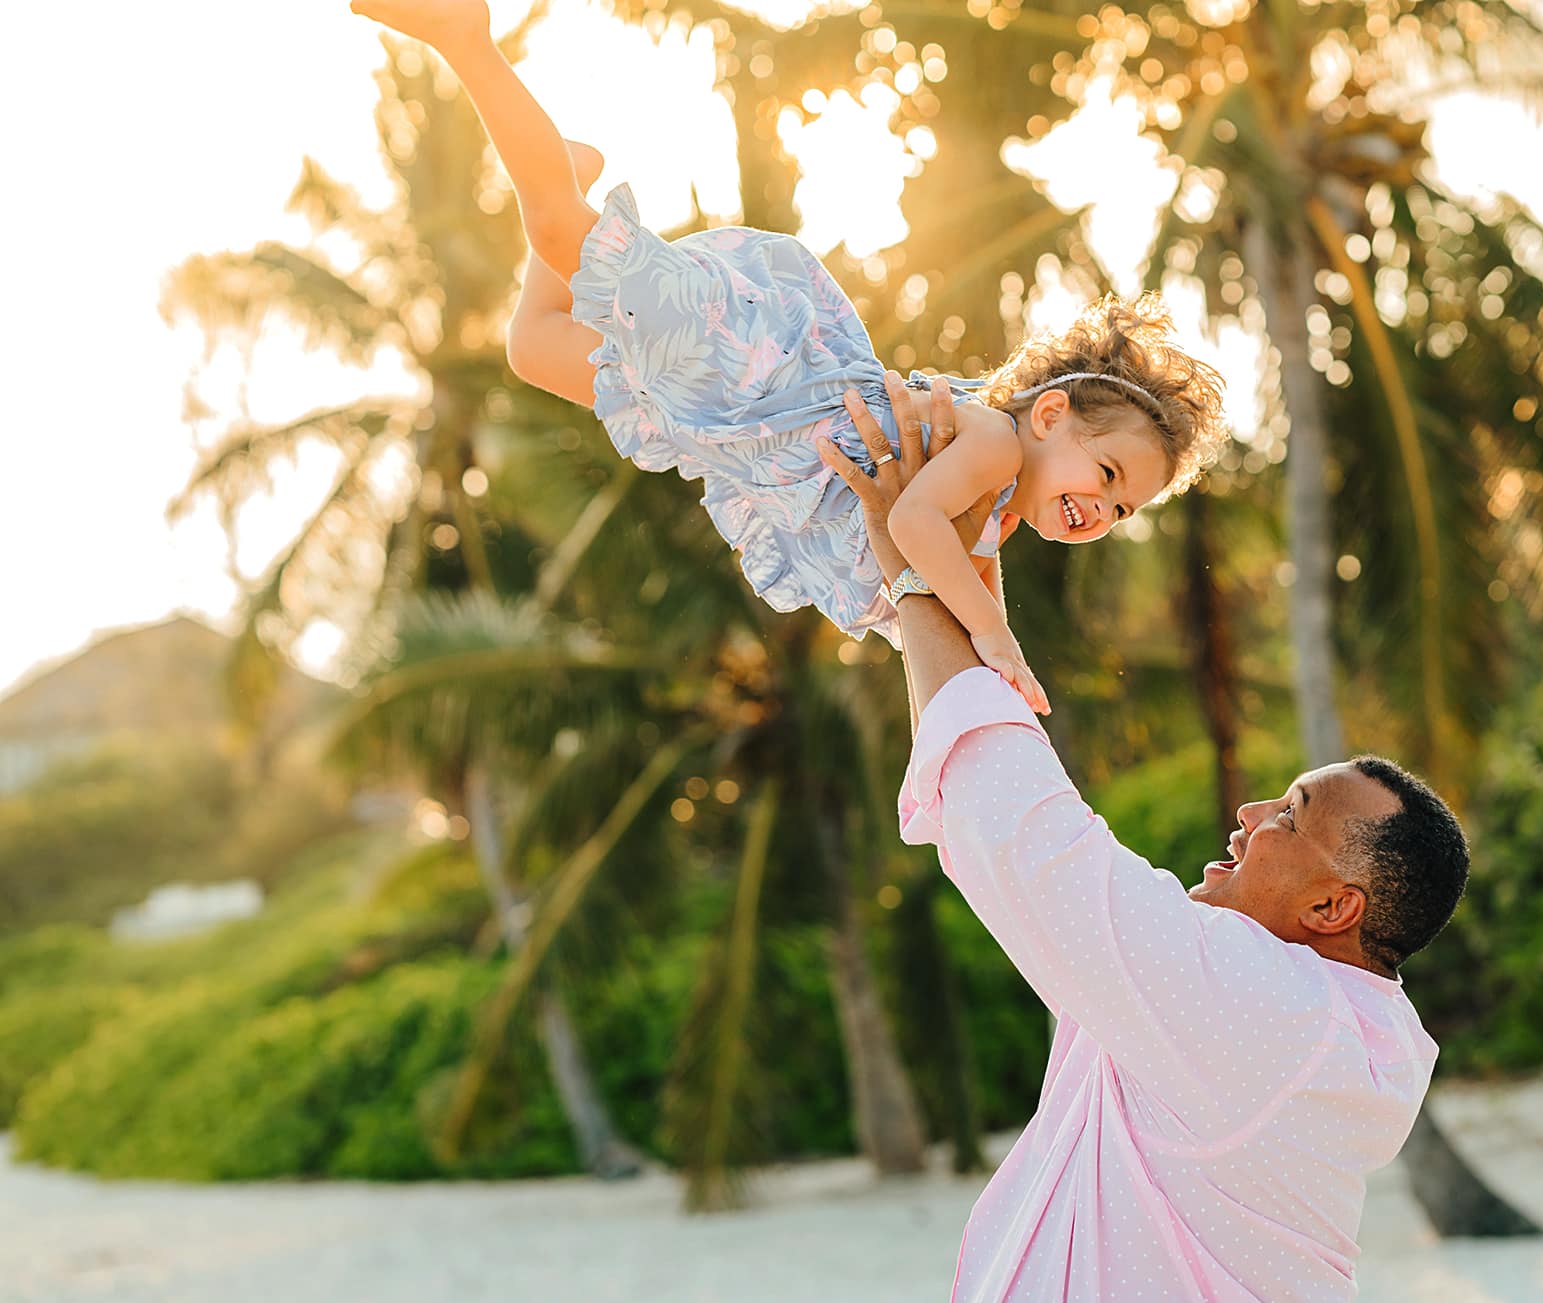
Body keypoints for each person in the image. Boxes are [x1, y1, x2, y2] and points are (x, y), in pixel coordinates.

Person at [348, 0, 1229, 714]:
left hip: (739, 426)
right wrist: (999, 642)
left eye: (1121, 510)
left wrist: (992, 636)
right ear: (1051, 414)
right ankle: (470, 40)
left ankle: (567, 171)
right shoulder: (996, 445)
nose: (1101, 510)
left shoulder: (996, 500)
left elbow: (952, 573)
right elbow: (916, 529)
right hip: (750, 364)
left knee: (534, 346)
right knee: (556, 229)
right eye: (1108, 472)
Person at [822, 384, 1472, 1301]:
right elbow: (1009, 817)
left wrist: (912, 564)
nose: (1249, 814)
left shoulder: (1267, 1012)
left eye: (1289, 815)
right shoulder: (1313, 1026)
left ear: (1334, 907)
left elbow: (1028, 841)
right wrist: (953, 565)